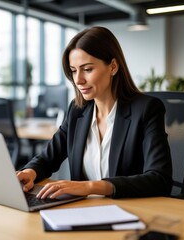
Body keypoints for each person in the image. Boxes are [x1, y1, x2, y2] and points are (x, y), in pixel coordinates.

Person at [17, 26, 172, 199]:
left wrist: (92, 187)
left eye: (87, 69)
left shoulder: (146, 109)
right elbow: (48, 158)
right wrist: (30, 172)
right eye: (74, 70)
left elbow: (159, 180)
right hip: (83, 211)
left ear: (113, 67)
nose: (78, 80)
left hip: (128, 211)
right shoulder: (77, 111)